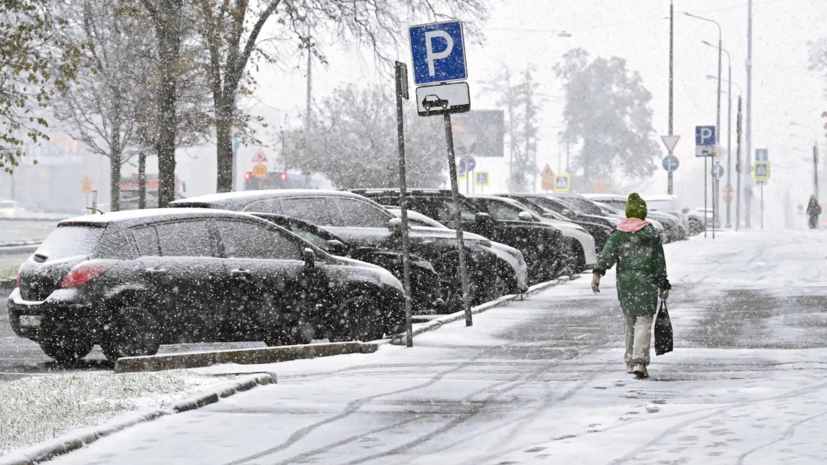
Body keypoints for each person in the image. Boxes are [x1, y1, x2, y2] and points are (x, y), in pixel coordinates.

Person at [591, 193, 671, 379]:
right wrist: (663, 283)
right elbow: (659, 262)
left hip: (626, 285)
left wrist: (597, 274)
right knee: (644, 322)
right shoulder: (651, 234)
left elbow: (607, 255)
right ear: (643, 213)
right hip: (647, 284)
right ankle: (639, 361)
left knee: (630, 322)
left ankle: (630, 360)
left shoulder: (619, 234)